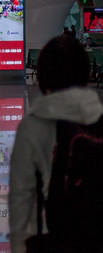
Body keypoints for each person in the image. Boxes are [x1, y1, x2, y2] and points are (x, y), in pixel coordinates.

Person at [8, 35, 103, 252]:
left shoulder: (33, 126)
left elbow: (21, 198)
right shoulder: (99, 118)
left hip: (58, 238)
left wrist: (19, 244)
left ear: (43, 76)